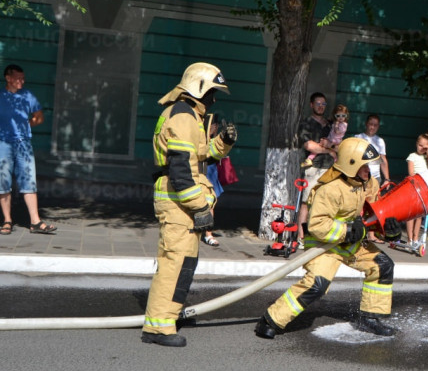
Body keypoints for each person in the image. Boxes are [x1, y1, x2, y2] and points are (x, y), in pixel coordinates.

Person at [254, 137, 403, 339]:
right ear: (351, 165)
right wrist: (349, 230)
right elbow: (317, 225)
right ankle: (271, 319)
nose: (369, 170)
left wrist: (390, 231)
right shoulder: (330, 188)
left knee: (382, 266)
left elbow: (374, 214)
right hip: (324, 244)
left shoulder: (369, 183)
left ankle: (370, 318)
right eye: (364, 166)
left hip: (350, 243)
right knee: (317, 284)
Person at [142, 62, 237, 347]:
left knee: (183, 263)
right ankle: (158, 327)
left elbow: (198, 155)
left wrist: (223, 143)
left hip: (180, 204)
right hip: (179, 204)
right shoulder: (183, 117)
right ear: (199, 88)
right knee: (174, 264)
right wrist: (200, 207)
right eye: (212, 92)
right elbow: (182, 173)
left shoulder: (188, 116)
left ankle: (167, 317)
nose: (215, 99)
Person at [0, 64, 55, 236]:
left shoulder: (28, 96)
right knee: (3, 182)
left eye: (23, 78)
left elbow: (39, 117)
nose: (21, 81)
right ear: (8, 78)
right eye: (18, 78)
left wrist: (26, 125)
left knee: (29, 181)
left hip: (23, 143)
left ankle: (35, 222)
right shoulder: (1, 96)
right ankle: (7, 220)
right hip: (3, 143)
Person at [297, 92, 337, 235]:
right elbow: (309, 146)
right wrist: (329, 150)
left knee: (326, 203)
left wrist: (331, 147)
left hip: (330, 168)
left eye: (323, 104)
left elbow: (339, 145)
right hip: (312, 168)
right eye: (318, 104)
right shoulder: (305, 123)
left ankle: (319, 235)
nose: (321, 107)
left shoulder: (332, 125)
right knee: (306, 202)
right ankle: (301, 237)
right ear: (311, 105)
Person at [405, 133, 428, 248]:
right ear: (416, 144)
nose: (421, 148)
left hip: (423, 189)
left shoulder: (427, 157)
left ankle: (416, 237)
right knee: (411, 215)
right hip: (413, 187)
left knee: (419, 215)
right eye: (420, 145)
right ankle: (409, 239)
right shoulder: (412, 156)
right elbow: (411, 173)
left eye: (424, 147)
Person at [302, 104, 348, 168]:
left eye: (343, 116)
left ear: (346, 116)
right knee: (319, 146)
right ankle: (309, 159)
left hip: (335, 141)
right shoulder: (333, 122)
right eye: (338, 116)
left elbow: (337, 132)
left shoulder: (344, 125)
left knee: (334, 153)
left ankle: (336, 163)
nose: (340, 117)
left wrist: (336, 125)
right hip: (329, 139)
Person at [202, 114, 224, 247]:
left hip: (211, 172)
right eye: (211, 125)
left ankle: (208, 234)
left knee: (211, 203)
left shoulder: (216, 140)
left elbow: (218, 153)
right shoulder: (199, 138)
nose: (213, 128)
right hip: (201, 172)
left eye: (214, 126)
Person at [355, 113, 390, 188]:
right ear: (366, 124)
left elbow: (383, 160)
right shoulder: (358, 138)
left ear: (378, 126)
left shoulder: (380, 141)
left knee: (374, 199)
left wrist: (387, 179)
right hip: (360, 176)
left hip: (375, 177)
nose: (372, 127)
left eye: (375, 125)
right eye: (371, 124)